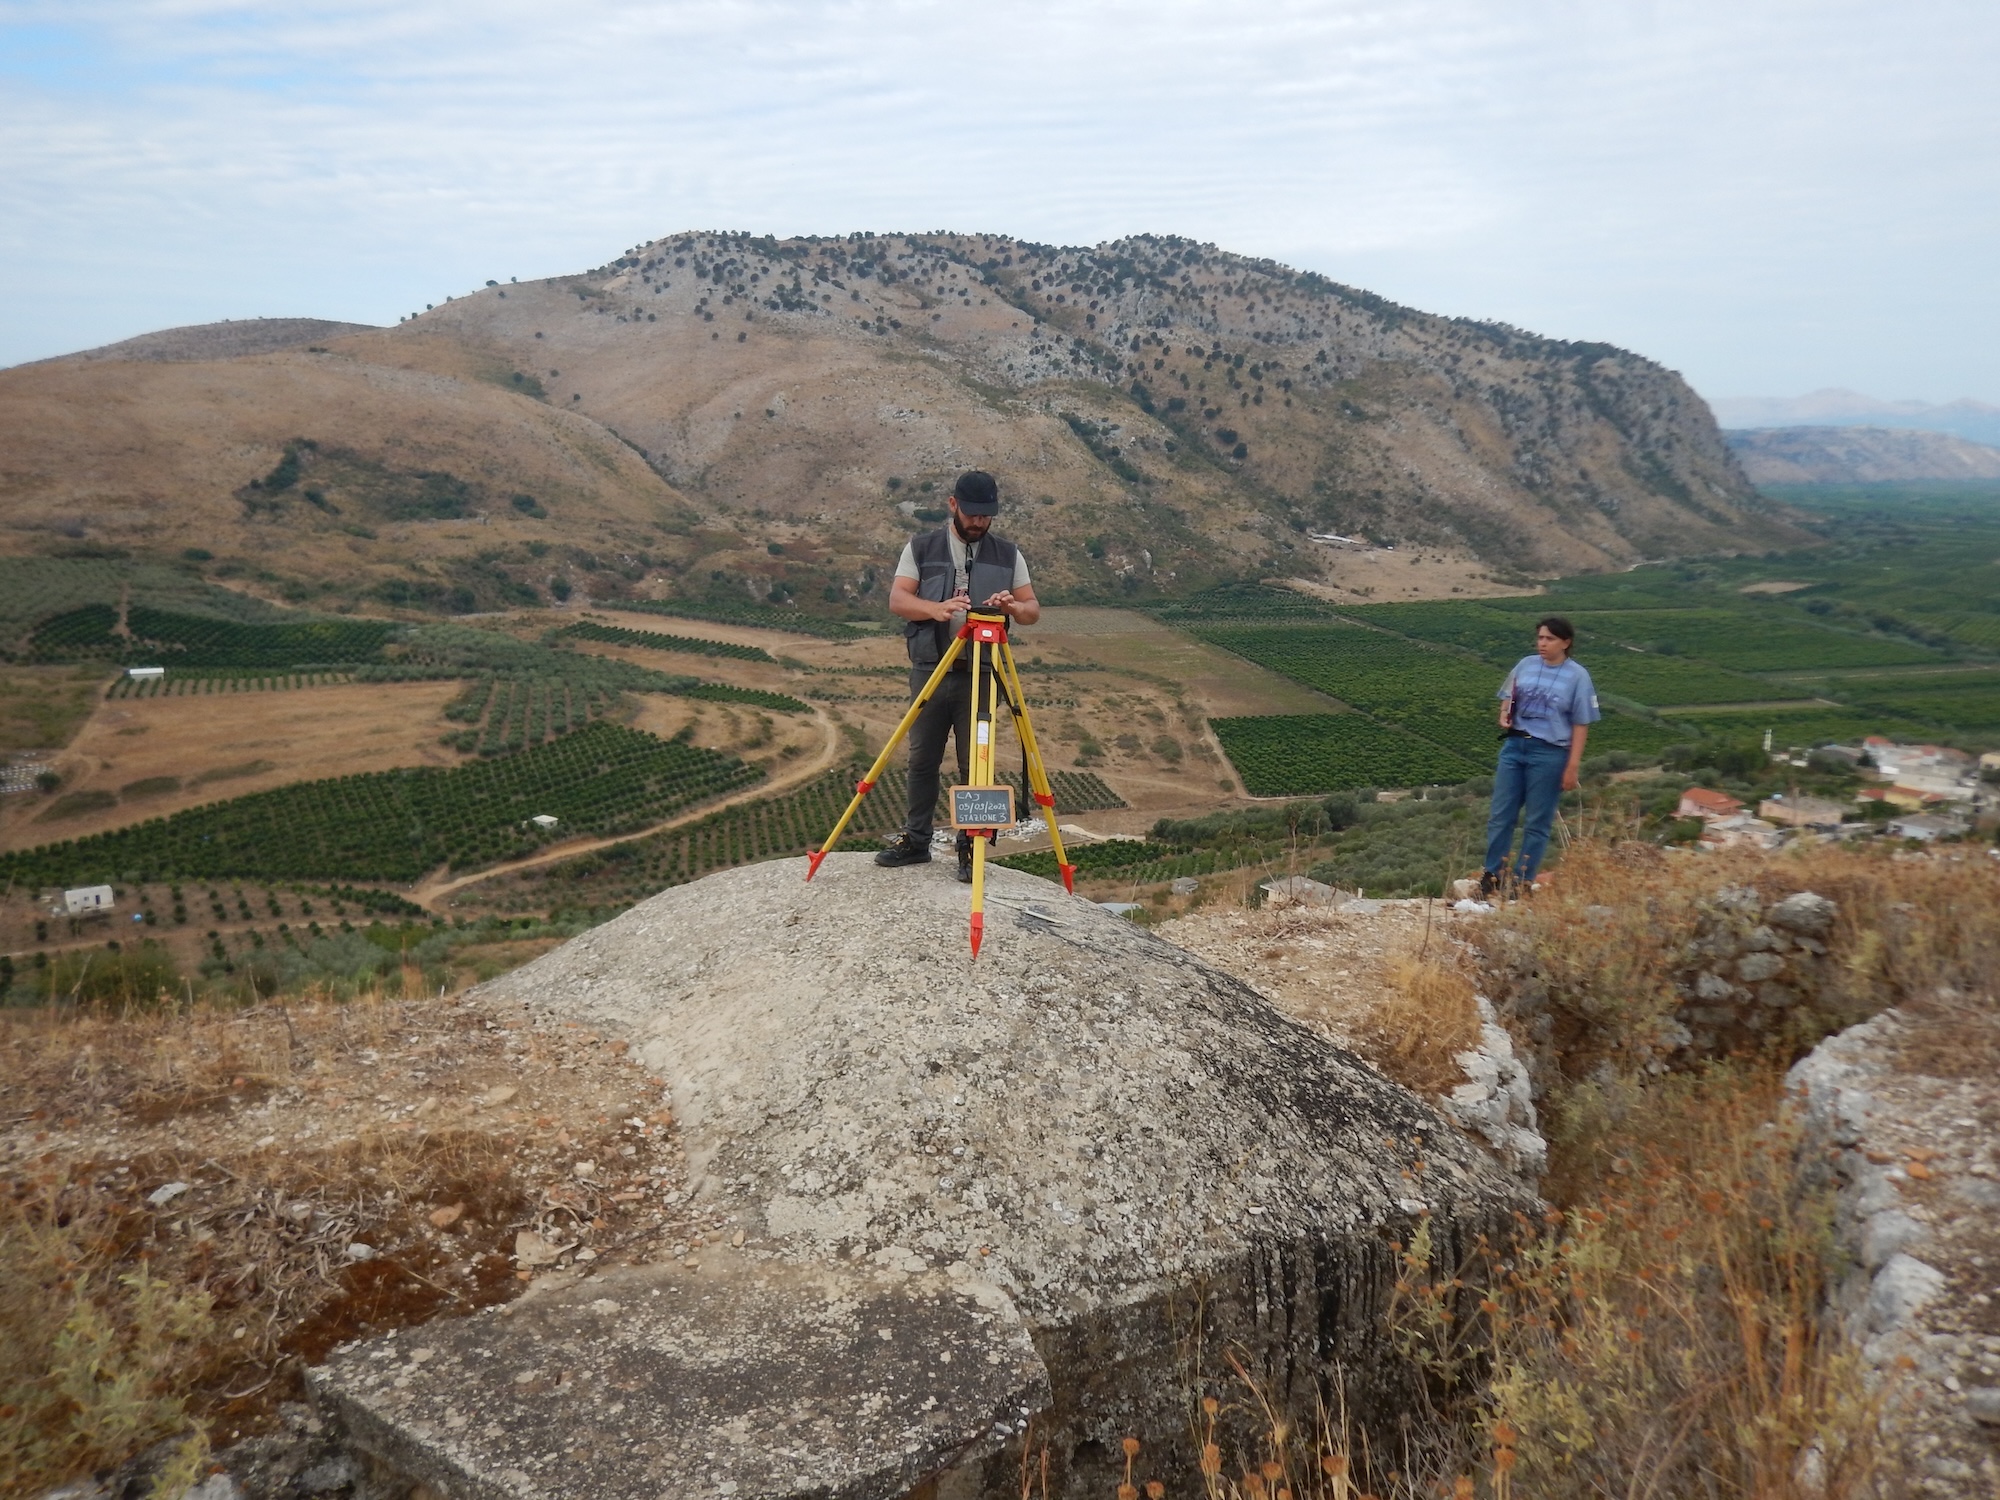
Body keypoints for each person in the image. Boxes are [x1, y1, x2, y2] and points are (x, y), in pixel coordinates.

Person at [875, 470, 1039, 882]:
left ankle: (971, 848)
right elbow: (898, 599)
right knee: (922, 759)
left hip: (982, 673)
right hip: (932, 667)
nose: (979, 523)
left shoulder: (1008, 554)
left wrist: (1012, 608)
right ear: (953, 505)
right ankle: (916, 840)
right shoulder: (921, 547)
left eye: (986, 516)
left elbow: (1032, 609)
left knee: (976, 765)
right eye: (972, 514)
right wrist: (936, 609)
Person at [1481, 616, 1598, 897]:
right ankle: (1491, 877)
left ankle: (1521, 883)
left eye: (1549, 639)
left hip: (1549, 753)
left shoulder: (1578, 676)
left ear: (1566, 643)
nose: (1542, 644)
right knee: (1500, 815)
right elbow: (1508, 695)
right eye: (1540, 638)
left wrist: (1572, 766)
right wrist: (1503, 713)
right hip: (1514, 747)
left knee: (1537, 822)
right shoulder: (1526, 664)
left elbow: (1581, 723)